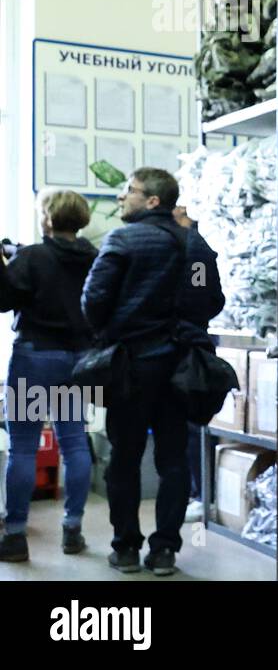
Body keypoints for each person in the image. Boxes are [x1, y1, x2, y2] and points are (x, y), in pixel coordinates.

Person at [81, 168, 224, 576]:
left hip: (131, 367)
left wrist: (114, 328)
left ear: (152, 201)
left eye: (129, 191)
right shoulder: (195, 244)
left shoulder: (123, 239)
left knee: (123, 458)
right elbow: (211, 300)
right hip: (181, 370)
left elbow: (94, 300)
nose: (121, 198)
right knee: (173, 459)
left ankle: (125, 547)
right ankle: (165, 551)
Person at [0, 190, 98, 563]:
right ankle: (73, 530)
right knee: (74, 444)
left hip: (34, 358)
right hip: (78, 361)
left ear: (47, 218)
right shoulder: (95, 258)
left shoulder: (32, 257)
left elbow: (3, 299)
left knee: (23, 447)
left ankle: (14, 536)